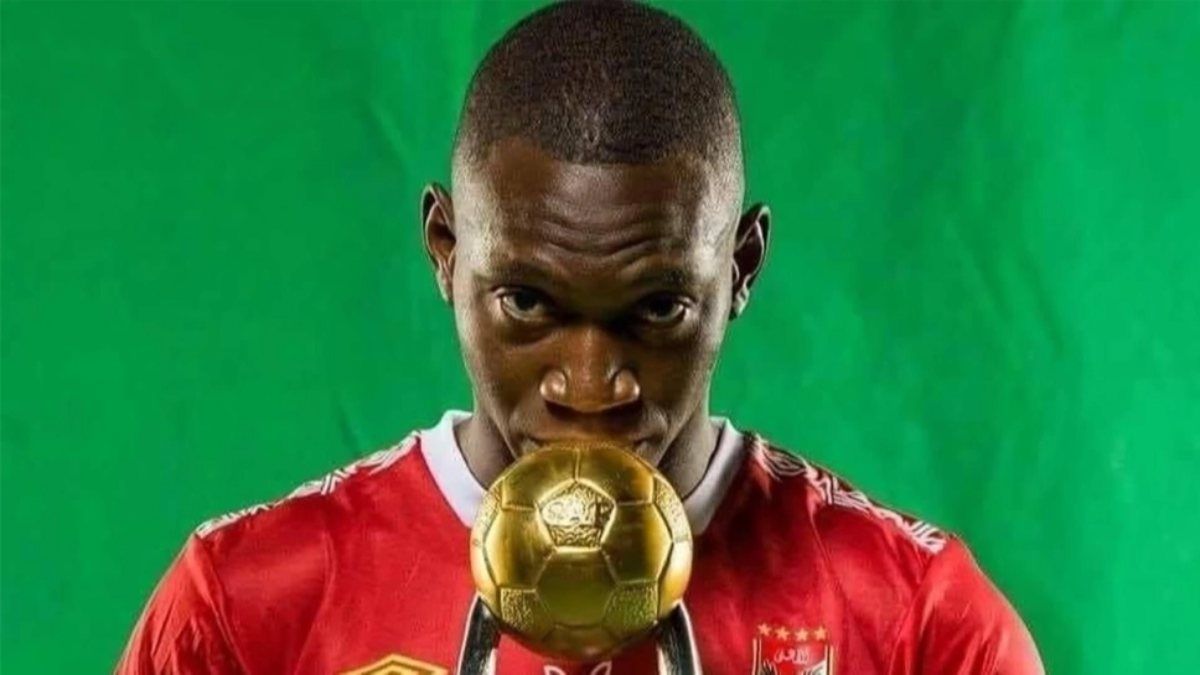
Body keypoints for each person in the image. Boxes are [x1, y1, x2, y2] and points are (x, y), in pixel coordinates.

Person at [116, 2, 1043, 673]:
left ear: (741, 268)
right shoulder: (246, 609)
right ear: (445, 253)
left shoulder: (919, 622)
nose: (592, 385)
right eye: (527, 302)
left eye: (658, 309)